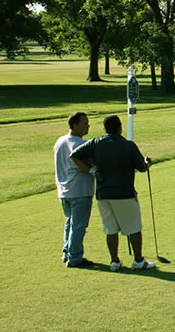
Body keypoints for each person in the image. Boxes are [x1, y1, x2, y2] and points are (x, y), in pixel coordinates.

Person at [70, 115, 156, 272]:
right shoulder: (128, 145)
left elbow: (74, 155)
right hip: (124, 193)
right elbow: (142, 168)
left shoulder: (95, 143)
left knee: (110, 229)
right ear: (120, 127)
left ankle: (114, 262)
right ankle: (138, 261)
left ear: (104, 128)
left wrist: (91, 170)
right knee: (133, 228)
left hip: (103, 193)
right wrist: (147, 162)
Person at [53, 112, 95, 268]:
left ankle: (67, 253)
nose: (88, 125)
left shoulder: (60, 141)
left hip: (64, 190)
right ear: (75, 125)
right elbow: (84, 163)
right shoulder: (79, 144)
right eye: (85, 123)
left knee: (70, 223)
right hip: (79, 189)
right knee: (78, 225)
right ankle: (75, 257)